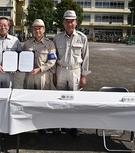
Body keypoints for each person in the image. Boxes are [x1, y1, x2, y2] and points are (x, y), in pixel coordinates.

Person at [52, 10, 91, 138]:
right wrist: (54, 74)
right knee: (60, 99)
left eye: (72, 21)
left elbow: (85, 58)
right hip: (60, 70)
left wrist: (84, 75)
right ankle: (59, 124)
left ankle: (74, 126)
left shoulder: (82, 38)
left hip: (75, 71)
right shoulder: (57, 38)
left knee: (74, 101)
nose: (69, 24)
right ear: (63, 23)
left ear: (76, 23)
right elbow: (53, 57)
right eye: (67, 21)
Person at [22, 19, 57, 90]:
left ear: (44, 30)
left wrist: (40, 69)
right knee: (27, 97)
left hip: (43, 75)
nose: (37, 31)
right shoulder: (27, 44)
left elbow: (52, 61)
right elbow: (21, 58)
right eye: (35, 29)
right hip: (29, 75)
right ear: (32, 30)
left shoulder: (49, 44)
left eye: (39, 28)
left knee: (43, 98)